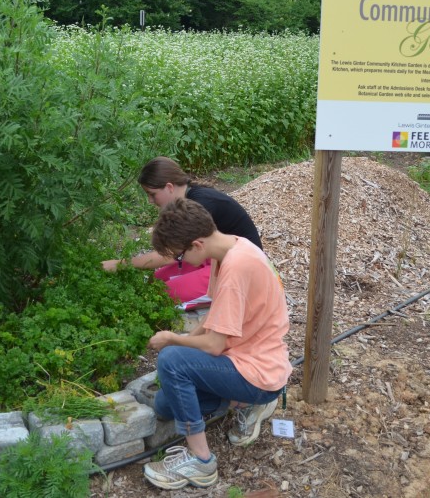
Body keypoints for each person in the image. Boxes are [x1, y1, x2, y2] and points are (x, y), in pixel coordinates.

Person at [141, 198, 291, 490]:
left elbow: (213, 346)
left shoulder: (236, 268)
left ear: (197, 244)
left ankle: (201, 462)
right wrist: (187, 341)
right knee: (164, 404)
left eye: (181, 256)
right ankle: (240, 401)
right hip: (241, 359)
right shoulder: (229, 248)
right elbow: (214, 316)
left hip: (258, 371)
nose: (182, 263)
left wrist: (173, 340)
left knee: (171, 360)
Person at [102, 157, 263, 306]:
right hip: (213, 257)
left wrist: (121, 264)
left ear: (169, 187)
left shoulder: (202, 203)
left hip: (239, 268)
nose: (150, 201)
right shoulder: (191, 196)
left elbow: (170, 255)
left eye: (152, 194)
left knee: (163, 294)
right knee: (155, 281)